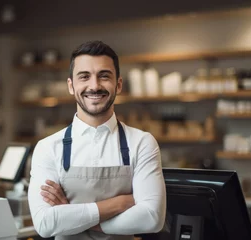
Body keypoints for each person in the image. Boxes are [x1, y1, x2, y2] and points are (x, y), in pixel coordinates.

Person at [28, 40, 166, 240]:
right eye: (84, 77)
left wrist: (74, 218)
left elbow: (152, 218)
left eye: (104, 76)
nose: (94, 86)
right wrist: (117, 205)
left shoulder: (142, 143)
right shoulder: (48, 148)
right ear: (71, 85)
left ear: (118, 85)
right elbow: (45, 223)